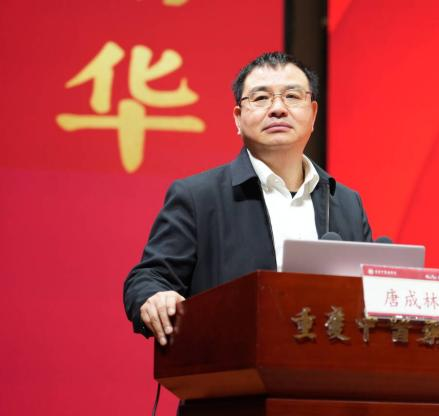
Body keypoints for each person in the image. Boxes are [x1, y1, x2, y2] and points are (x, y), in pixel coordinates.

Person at [123, 52, 373, 346]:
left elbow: (369, 297)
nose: (278, 109)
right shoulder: (198, 197)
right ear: (238, 118)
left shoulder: (345, 202)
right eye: (261, 98)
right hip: (230, 367)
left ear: (313, 114)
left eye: (292, 96)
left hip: (328, 368)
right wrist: (155, 297)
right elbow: (149, 278)